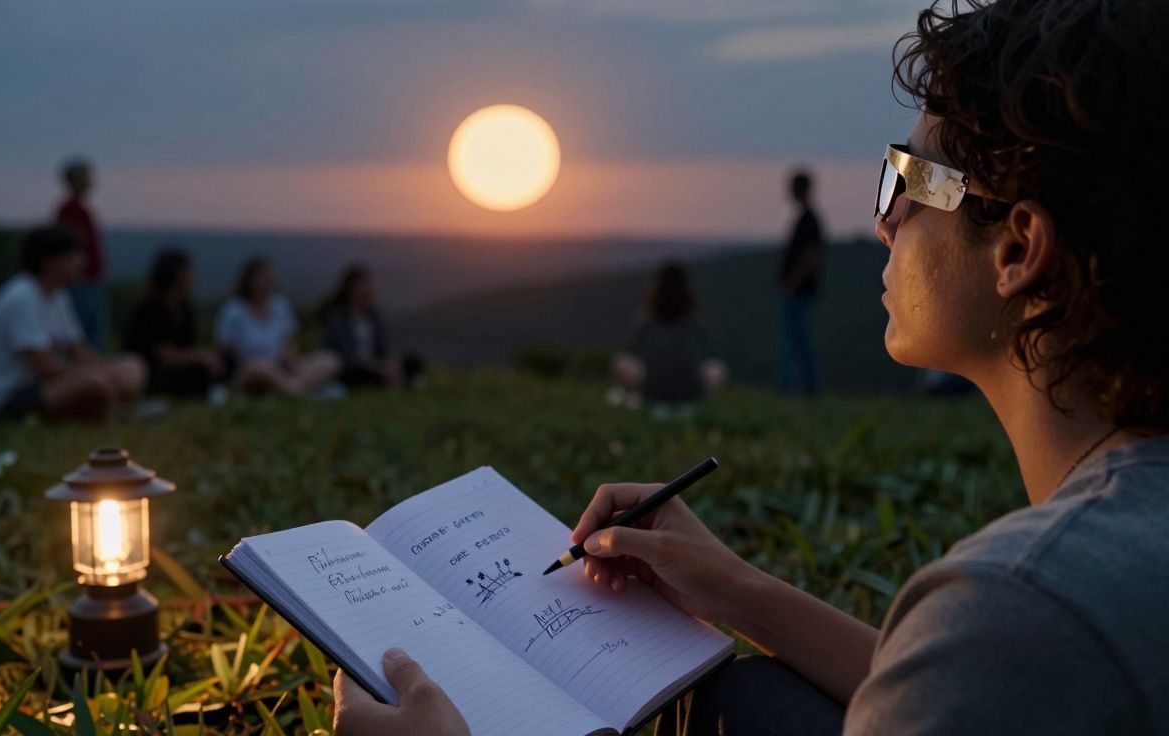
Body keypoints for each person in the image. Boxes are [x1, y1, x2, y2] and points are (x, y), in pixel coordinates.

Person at [331, 0, 1169, 733]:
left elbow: (987, 663)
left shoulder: (1020, 604)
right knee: (755, 701)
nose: (886, 223)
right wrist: (731, 588)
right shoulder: (1072, 595)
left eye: (909, 181)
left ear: (1018, 247)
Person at [0, 226, 146, 422]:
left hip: (47, 385)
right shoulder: (23, 297)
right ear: (49, 262)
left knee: (132, 366)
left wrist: (105, 369)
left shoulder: (58, 295)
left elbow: (79, 348)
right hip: (10, 397)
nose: (81, 262)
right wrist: (96, 374)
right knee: (94, 385)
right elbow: (44, 367)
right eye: (73, 255)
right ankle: (108, 413)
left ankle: (109, 410)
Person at [215, 257, 340, 397]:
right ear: (249, 281)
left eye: (269, 279)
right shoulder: (234, 310)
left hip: (281, 368)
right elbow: (228, 350)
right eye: (262, 278)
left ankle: (292, 388)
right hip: (250, 370)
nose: (267, 283)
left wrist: (291, 361)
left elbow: (289, 342)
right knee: (260, 366)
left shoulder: (281, 306)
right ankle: (300, 390)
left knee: (330, 359)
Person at [612, 261, 725, 405]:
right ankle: (699, 402)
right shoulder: (694, 324)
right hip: (691, 393)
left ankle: (629, 395)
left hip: (651, 393)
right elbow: (703, 358)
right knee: (718, 368)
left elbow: (633, 355)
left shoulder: (647, 323)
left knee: (622, 361)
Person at [123, 249, 226, 398]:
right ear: (177, 275)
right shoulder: (149, 308)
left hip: (176, 367)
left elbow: (189, 345)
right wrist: (200, 356)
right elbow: (162, 353)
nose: (193, 276)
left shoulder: (185, 308)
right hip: (147, 371)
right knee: (195, 373)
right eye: (188, 271)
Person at [318, 264, 418, 388]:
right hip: (349, 367)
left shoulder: (373, 317)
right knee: (360, 373)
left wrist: (387, 364)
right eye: (364, 284)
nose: (369, 288)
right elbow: (345, 354)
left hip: (375, 364)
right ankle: (397, 382)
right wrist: (375, 367)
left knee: (412, 361)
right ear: (351, 288)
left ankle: (395, 379)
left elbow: (382, 349)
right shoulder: (338, 318)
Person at [777, 169, 825, 395]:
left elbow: (811, 256)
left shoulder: (809, 219)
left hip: (799, 290)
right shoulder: (807, 218)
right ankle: (801, 387)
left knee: (798, 340)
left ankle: (804, 387)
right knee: (796, 339)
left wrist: (792, 282)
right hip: (799, 289)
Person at [54, 158, 106, 350]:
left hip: (90, 278)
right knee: (83, 329)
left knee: (92, 328)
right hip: (80, 281)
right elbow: (69, 246)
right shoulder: (68, 210)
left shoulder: (81, 209)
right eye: (85, 178)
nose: (89, 182)